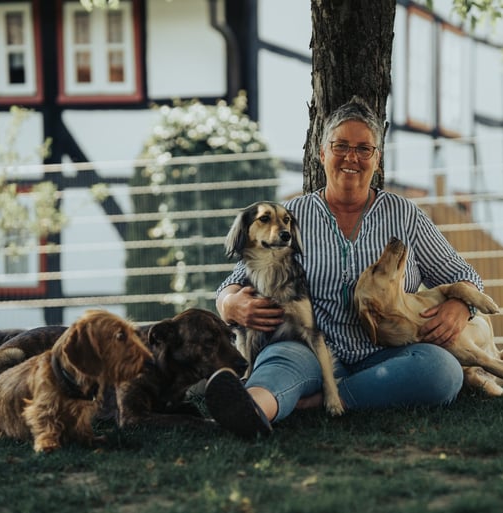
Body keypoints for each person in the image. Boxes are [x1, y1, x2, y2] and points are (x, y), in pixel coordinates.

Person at [207, 96, 485, 437]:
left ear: (377, 160)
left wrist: (461, 306)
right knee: (278, 366)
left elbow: (463, 276)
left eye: (364, 149)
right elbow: (233, 283)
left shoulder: (405, 216)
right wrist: (231, 304)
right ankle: (249, 409)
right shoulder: (291, 216)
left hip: (388, 354)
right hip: (306, 348)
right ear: (321, 154)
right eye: (340, 146)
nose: (351, 157)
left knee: (443, 371)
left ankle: (325, 399)